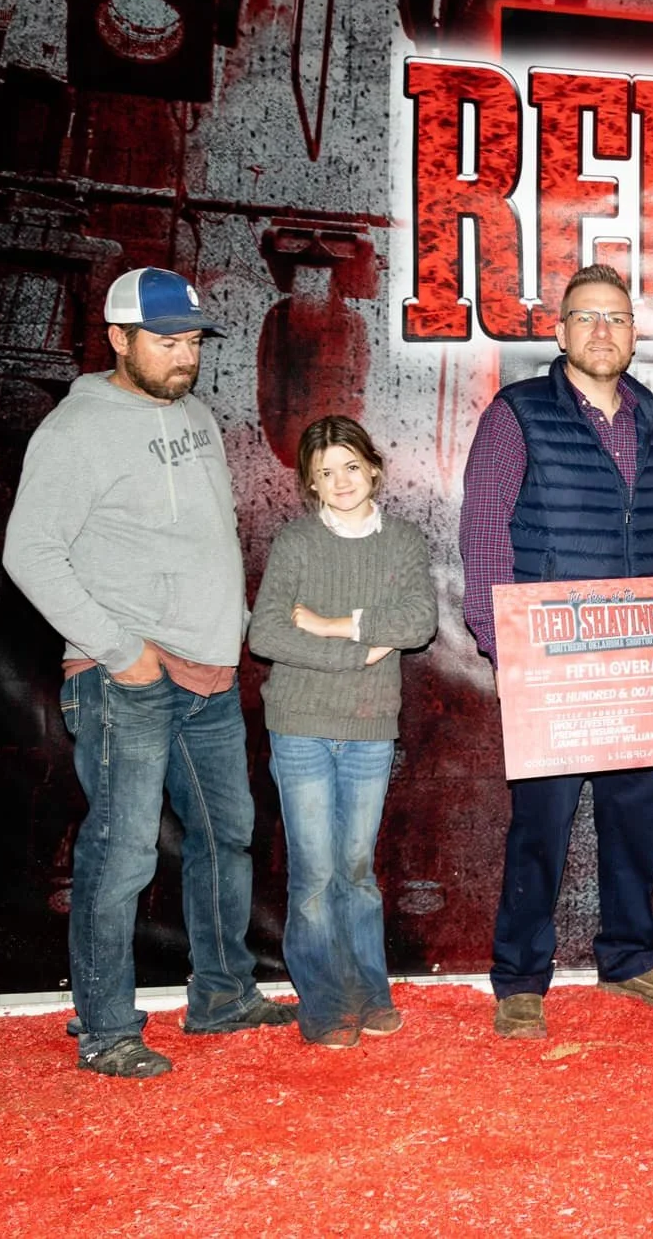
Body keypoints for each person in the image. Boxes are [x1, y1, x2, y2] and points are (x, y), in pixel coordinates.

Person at [3, 266, 295, 1078]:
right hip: (125, 679)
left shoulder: (193, 414)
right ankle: (105, 1028)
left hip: (206, 674)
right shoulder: (74, 431)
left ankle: (223, 994)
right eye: (167, 343)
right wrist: (119, 650)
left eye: (194, 342)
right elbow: (29, 553)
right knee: (123, 851)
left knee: (226, 837)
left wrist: (229, 628)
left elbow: (209, 535)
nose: (185, 358)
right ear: (118, 339)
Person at [458, 263, 653, 1039]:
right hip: (551, 667)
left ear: (632, 336)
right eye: (586, 318)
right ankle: (521, 977)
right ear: (559, 334)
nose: (602, 331)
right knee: (540, 828)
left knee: (635, 818)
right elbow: (485, 532)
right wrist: (503, 652)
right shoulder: (517, 413)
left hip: (641, 659)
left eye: (617, 319)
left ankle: (629, 956)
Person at [248, 416, 438, 1048]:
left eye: (350, 467)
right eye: (325, 473)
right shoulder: (296, 542)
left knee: (356, 869)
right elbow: (267, 632)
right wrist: (357, 651)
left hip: (368, 728)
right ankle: (325, 1002)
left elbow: (416, 624)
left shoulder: (405, 541)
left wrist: (332, 625)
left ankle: (369, 991)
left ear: (374, 468)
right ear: (310, 483)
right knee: (313, 874)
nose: (341, 481)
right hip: (300, 725)